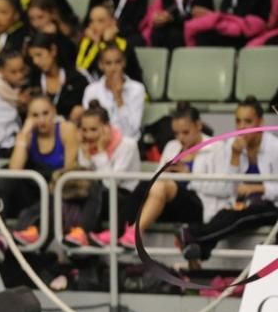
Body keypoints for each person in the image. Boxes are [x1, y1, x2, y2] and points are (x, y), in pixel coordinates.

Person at [91, 102, 231, 248]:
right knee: (147, 185)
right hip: (169, 201)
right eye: (176, 133)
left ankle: (134, 232)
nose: (181, 138)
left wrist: (190, 177)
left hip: (200, 205)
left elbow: (224, 188)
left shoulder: (217, 147)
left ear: (198, 126)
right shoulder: (172, 146)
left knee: (161, 186)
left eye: (185, 132)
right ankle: (119, 232)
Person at [177, 96, 278, 267]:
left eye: (248, 121)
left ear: (260, 122)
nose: (241, 127)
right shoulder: (231, 145)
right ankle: (202, 249)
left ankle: (193, 235)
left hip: (271, 206)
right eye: (238, 121)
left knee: (241, 216)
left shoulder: (275, 146)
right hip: (239, 204)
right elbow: (227, 188)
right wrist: (235, 156)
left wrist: (257, 188)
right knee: (225, 214)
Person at [4, 92, 80, 245]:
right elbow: (14, 171)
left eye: (46, 113)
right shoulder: (28, 135)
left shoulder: (66, 129)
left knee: (53, 193)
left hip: (57, 188)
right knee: (5, 177)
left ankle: (30, 229)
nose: (41, 120)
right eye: (35, 115)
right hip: (33, 190)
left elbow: (69, 169)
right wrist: (24, 134)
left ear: (54, 111)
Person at [62, 101, 141, 247]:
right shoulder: (86, 145)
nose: (88, 135)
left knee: (94, 186)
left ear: (106, 128)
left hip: (124, 198)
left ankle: (82, 231)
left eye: (93, 129)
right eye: (84, 130)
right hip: (96, 195)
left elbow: (110, 182)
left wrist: (100, 153)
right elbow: (83, 178)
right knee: (65, 192)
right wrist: (85, 155)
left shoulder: (128, 145)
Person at [82, 44, 147, 141]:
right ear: (101, 65)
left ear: (124, 63)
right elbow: (89, 126)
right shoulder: (91, 90)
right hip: (98, 143)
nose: (113, 68)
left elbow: (130, 132)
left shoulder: (137, 89)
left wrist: (119, 98)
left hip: (128, 144)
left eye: (117, 62)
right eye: (108, 63)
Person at [26, 32, 89, 121]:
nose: (36, 61)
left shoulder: (76, 80)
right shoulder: (32, 82)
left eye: (39, 55)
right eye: (32, 58)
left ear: (53, 50)